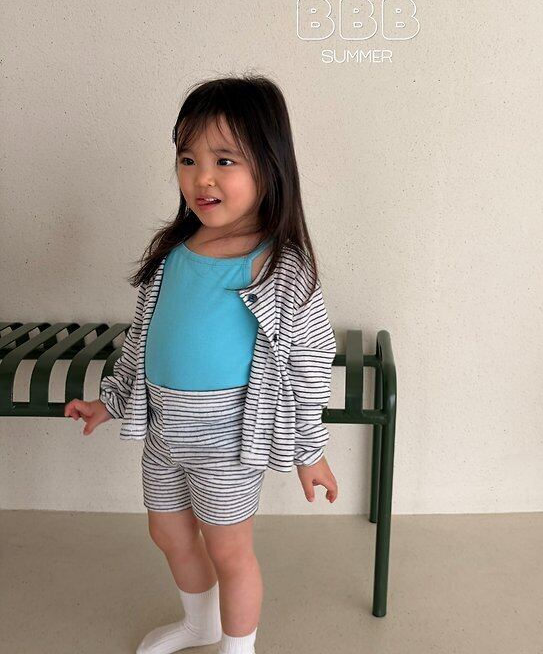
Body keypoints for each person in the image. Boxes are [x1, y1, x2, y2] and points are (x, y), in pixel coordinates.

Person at [64, 74, 339, 654]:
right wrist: (110, 401)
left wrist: (309, 450)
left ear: (269, 167)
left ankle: (238, 648)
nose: (201, 177)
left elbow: (309, 361)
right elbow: (143, 339)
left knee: (229, 550)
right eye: (188, 159)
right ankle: (200, 624)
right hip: (164, 426)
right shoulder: (174, 254)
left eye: (224, 160)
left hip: (228, 435)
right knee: (166, 532)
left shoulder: (279, 266)